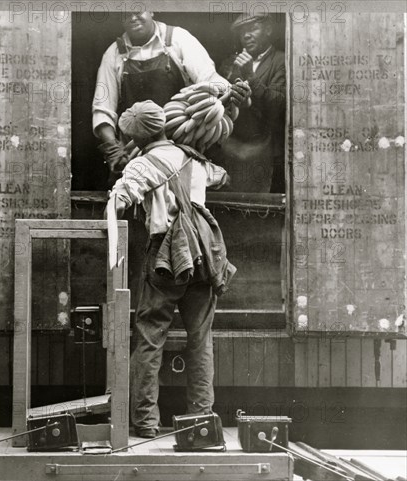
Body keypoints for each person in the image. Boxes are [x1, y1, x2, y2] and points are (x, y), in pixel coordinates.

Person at [110, 100, 236, 438]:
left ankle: (146, 422)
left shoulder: (142, 165)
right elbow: (221, 176)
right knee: (200, 339)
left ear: (135, 137)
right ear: (165, 125)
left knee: (150, 338)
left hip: (165, 258)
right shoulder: (194, 158)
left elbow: (118, 201)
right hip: (202, 257)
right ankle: (200, 420)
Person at [93, 11, 251, 178]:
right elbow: (103, 110)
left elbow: (208, 78)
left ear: (151, 10)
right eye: (125, 13)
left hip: (181, 145)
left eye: (138, 10)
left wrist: (232, 91)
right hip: (136, 152)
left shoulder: (178, 39)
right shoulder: (114, 54)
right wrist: (113, 148)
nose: (133, 18)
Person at [214, 13, 286, 192]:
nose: (246, 35)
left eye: (253, 29)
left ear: (268, 30)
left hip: (265, 149)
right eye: (242, 32)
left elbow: (278, 104)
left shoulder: (281, 60)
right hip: (231, 147)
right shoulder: (229, 63)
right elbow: (216, 104)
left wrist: (250, 77)